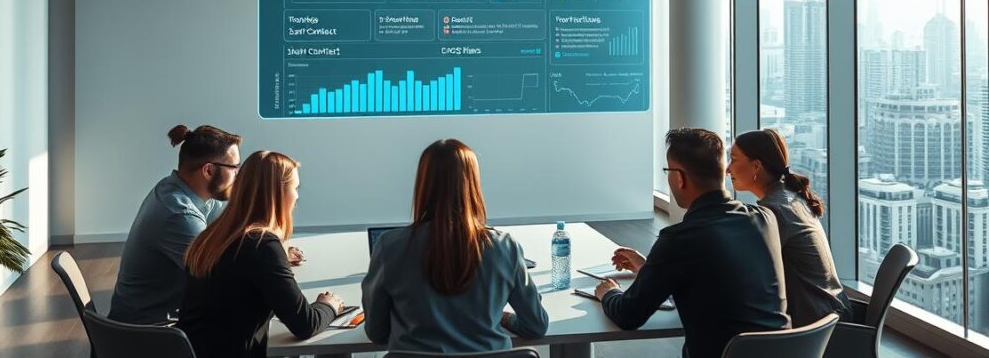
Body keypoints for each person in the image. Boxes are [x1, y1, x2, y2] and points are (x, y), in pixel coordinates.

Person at [595, 127, 790, 358]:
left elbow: (628, 315)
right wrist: (649, 268)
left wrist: (609, 293)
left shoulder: (680, 239)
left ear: (679, 178)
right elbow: (713, 278)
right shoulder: (764, 219)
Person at [362, 139, 548, 352]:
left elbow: (376, 332)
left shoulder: (390, 247)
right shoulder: (504, 246)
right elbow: (536, 326)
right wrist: (504, 319)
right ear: (473, 184)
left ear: (423, 183)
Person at [178, 151, 343, 358]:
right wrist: (328, 305)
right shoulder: (261, 245)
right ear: (278, 193)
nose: (297, 196)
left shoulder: (212, 237)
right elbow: (305, 325)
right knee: (335, 352)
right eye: (295, 188)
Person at [109, 124, 244, 324]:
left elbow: (236, 221)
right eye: (234, 168)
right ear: (208, 170)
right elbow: (221, 278)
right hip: (147, 334)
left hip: (151, 322)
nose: (238, 175)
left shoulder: (180, 189)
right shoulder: (179, 215)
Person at [728, 129, 850, 326]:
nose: (727, 169)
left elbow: (747, 272)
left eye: (733, 159)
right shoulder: (789, 198)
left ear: (756, 166)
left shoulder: (776, 211)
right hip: (829, 313)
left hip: (816, 326)